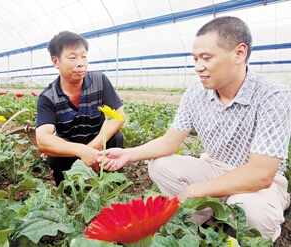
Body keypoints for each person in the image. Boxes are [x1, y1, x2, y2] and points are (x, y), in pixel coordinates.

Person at [100, 16, 291, 241]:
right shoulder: (196, 92)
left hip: (256, 184)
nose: (198, 67)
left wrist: (194, 191)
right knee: (161, 166)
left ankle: (248, 228)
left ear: (239, 53)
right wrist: (128, 154)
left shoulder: (273, 95)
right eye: (195, 58)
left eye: (206, 58)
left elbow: (261, 174)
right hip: (214, 167)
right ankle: (201, 219)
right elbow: (170, 142)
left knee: (254, 213)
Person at [35, 31, 125, 186]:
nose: (80, 63)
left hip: (99, 147)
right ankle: (70, 193)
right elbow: (42, 140)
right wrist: (81, 151)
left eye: (84, 56)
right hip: (70, 152)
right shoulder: (48, 97)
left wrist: (93, 148)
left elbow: (119, 114)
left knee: (116, 136)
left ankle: (113, 186)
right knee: (53, 152)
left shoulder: (99, 81)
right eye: (72, 57)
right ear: (56, 61)